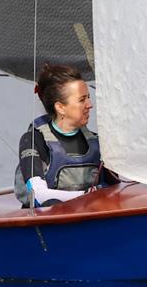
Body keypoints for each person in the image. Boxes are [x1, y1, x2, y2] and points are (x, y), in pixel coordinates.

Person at [14, 63, 118, 207]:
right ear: (60, 107)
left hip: (92, 218)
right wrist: (88, 195)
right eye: (82, 100)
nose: (90, 104)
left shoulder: (98, 142)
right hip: (49, 223)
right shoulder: (33, 141)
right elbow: (38, 195)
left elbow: (117, 188)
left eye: (88, 97)